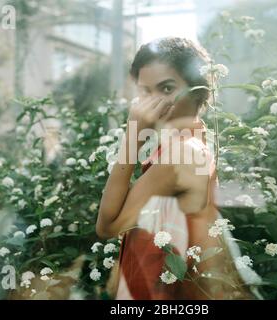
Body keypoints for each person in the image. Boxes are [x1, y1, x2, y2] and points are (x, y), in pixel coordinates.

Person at [96, 37, 260, 300]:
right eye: (146, 92)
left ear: (197, 89)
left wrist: (133, 135)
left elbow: (106, 227)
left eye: (167, 88)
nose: (155, 103)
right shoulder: (188, 144)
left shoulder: (182, 153)